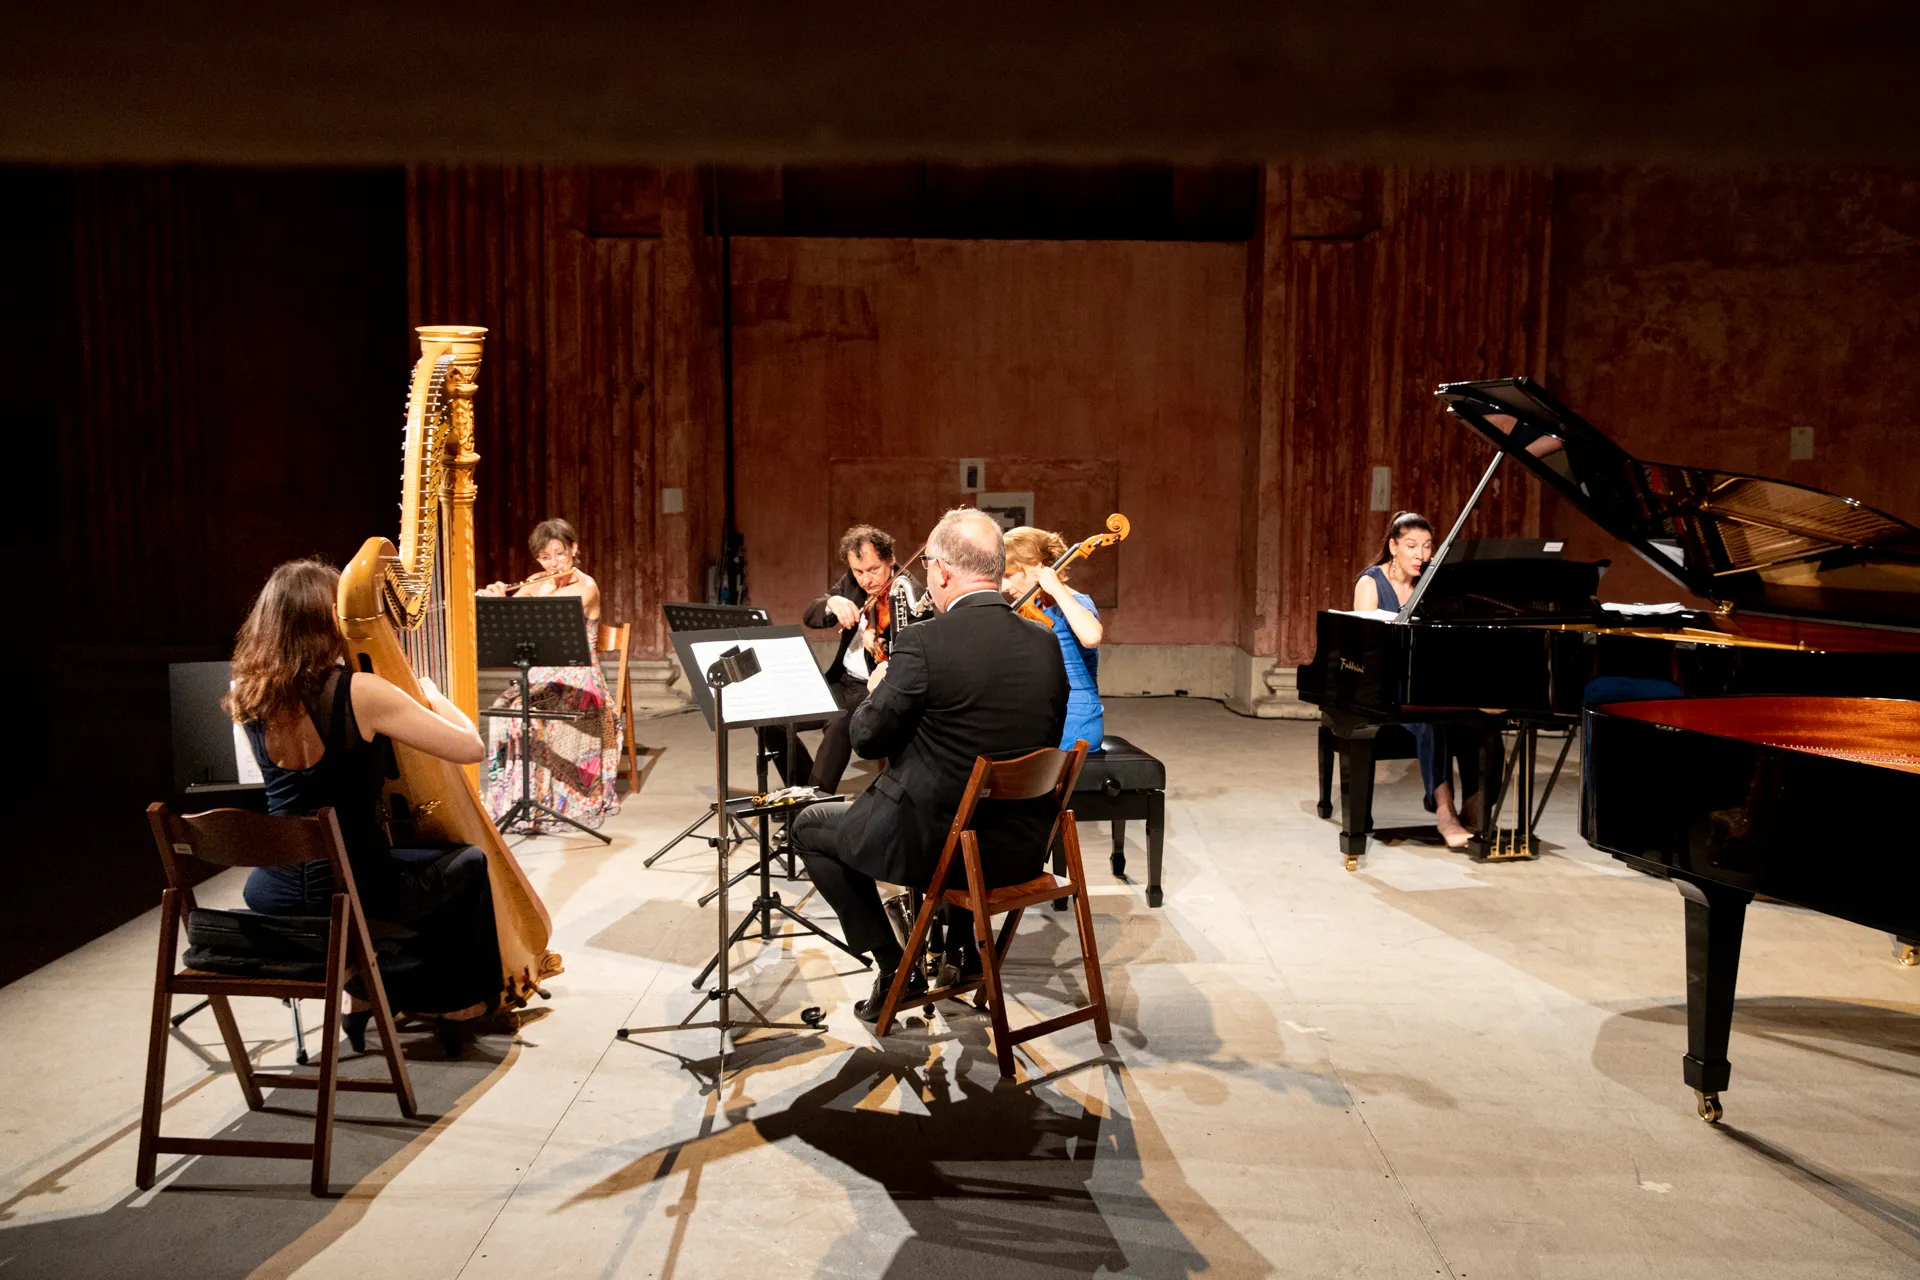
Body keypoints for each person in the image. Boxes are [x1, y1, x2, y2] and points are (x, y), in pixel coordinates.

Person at [788, 508, 1069, 1021]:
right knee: (957, 783)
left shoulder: (924, 642)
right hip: (1021, 850)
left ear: (939, 572)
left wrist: (876, 693)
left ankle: (896, 967)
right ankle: (960, 952)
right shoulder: (1047, 644)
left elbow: (868, 739)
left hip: (943, 850)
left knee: (808, 824)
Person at [226, 558, 501, 1054]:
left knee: (400, 871)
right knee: (467, 864)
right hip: (356, 887)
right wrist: (431, 697)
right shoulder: (361, 693)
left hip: (274, 889)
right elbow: (471, 748)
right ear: (331, 619)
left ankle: (364, 996)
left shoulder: (249, 693)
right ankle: (457, 1005)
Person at [1352, 511, 1492, 848]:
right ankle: (1444, 810)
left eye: (1428, 547)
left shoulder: (1431, 585)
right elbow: (1364, 652)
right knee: (1431, 719)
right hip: (1380, 688)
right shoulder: (1371, 583)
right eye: (1412, 546)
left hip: (1420, 683)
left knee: (1474, 715)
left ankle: (1475, 806)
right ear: (1393, 546)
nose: (1421, 555)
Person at [478, 518, 622, 828]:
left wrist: (522, 598)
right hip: (541, 676)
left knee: (539, 715)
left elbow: (557, 611)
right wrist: (497, 600)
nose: (553, 562)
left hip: (578, 677)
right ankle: (514, 799)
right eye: (545, 556)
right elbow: (511, 622)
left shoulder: (586, 585)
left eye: (559, 554)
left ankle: (552, 800)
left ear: (574, 549)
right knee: (505, 713)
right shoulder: (534, 582)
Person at [772, 524, 929, 792]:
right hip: (840, 681)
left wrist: (880, 645)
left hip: (872, 689)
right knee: (771, 719)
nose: (866, 580)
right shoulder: (850, 584)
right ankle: (799, 796)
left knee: (838, 722)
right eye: (859, 571)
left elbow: (910, 663)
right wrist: (832, 603)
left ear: (890, 561)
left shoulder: (909, 595)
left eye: (873, 570)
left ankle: (815, 802)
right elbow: (811, 616)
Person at [1002, 526, 1104, 751]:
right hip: (1042, 714)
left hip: (1075, 719)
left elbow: (1091, 637)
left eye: (1009, 575)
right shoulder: (1032, 608)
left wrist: (1056, 589)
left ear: (1038, 567)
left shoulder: (1074, 602)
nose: (1004, 586)